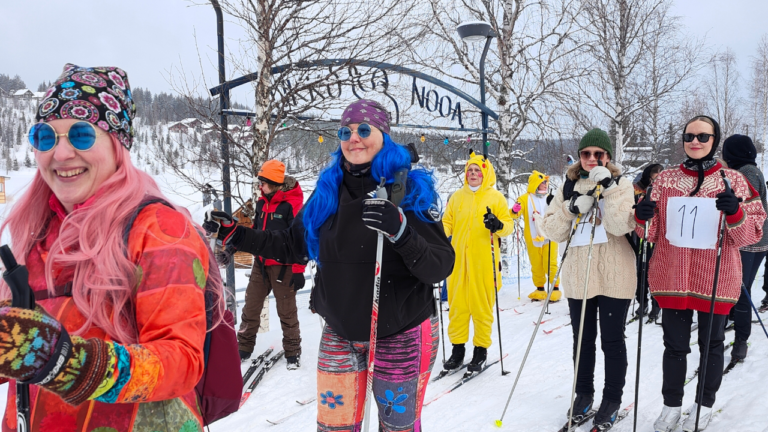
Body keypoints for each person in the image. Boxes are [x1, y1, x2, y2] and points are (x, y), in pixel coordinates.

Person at [204, 99, 454, 432]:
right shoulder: (328, 192)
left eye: (363, 129)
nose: (354, 138)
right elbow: (291, 245)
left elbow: (440, 265)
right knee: (333, 427)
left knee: (398, 428)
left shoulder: (406, 189)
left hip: (401, 331)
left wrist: (402, 232)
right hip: (340, 329)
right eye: (345, 132)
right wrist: (237, 234)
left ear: (384, 135)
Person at [0, 64, 226, 431]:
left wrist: (66, 363)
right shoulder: (38, 234)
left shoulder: (160, 230)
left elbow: (181, 360)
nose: (60, 153)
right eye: (45, 136)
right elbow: (15, 350)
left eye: (81, 135)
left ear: (117, 145)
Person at [634, 116, 765, 431]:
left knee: (712, 344)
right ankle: (671, 405)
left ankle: (703, 404)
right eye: (689, 135)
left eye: (703, 136)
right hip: (673, 275)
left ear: (714, 140)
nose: (695, 141)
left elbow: (750, 234)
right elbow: (650, 233)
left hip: (716, 276)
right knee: (674, 346)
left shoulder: (734, 180)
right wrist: (642, 216)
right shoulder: (665, 180)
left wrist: (734, 211)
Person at [540, 128, 637, 430]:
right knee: (582, 339)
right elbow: (551, 230)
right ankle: (583, 394)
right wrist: (570, 209)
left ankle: (612, 398)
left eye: (599, 154)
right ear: (580, 156)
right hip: (578, 273)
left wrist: (607, 188)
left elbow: (621, 225)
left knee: (612, 339)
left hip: (615, 274)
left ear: (608, 157)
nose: (592, 158)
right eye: (586, 153)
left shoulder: (622, 184)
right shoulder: (567, 186)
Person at [441, 151, 514, 373]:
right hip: (458, 262)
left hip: (484, 262)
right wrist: (436, 233)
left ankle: (480, 350)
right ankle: (457, 350)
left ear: (485, 174)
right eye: (469, 170)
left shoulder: (496, 198)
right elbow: (447, 222)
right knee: (457, 307)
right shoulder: (457, 197)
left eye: (477, 171)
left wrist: (498, 225)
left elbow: (508, 226)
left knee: (482, 307)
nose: (473, 174)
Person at [236, 159, 305, 369]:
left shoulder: (291, 205)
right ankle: (243, 348)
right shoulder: (261, 203)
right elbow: (257, 231)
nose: (260, 187)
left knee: (286, 311)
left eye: (263, 183)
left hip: (284, 266)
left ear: (274, 183)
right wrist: (238, 243)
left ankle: (293, 352)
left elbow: (300, 238)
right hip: (260, 264)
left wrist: (298, 270)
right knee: (250, 307)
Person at [721, 134, 768, 361]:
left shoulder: (746, 173)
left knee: (740, 289)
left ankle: (741, 340)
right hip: (754, 239)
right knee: (738, 287)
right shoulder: (750, 170)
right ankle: (731, 321)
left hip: (749, 240)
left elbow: (742, 208)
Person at [510, 170, 561, 302]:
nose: (545, 184)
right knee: (536, 264)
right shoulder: (524, 198)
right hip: (533, 237)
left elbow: (560, 212)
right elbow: (514, 214)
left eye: (546, 182)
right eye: (542, 182)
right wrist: (514, 210)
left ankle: (555, 288)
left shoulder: (550, 197)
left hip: (550, 236)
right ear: (535, 183)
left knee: (550, 263)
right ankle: (540, 289)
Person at [632, 163, 663, 321]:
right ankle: (642, 302)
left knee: (654, 273)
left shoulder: (662, 190)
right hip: (639, 235)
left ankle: (656, 305)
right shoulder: (637, 189)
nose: (656, 181)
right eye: (654, 177)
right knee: (640, 272)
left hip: (656, 238)